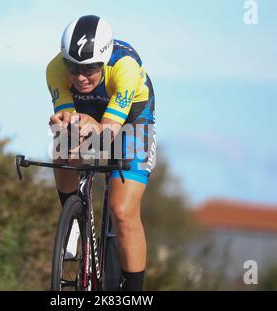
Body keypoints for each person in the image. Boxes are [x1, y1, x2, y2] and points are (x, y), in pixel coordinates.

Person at [46, 15, 156, 291]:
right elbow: (67, 118)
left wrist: (91, 128)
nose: (80, 77)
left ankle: (133, 293)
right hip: (91, 113)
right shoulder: (54, 69)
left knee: (122, 211)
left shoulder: (125, 68)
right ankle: (73, 223)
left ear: (104, 60)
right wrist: (64, 124)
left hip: (132, 119)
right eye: (73, 68)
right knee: (63, 139)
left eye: (91, 68)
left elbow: (109, 132)